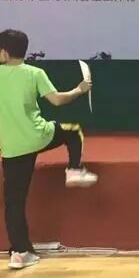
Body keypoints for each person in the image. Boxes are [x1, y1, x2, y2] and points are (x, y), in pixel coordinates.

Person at [0, 29, 97, 271]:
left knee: (14, 202)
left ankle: (20, 253)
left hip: (11, 147)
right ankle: (74, 170)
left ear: (3, 53)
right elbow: (57, 100)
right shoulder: (35, 73)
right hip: (38, 136)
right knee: (73, 131)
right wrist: (80, 89)